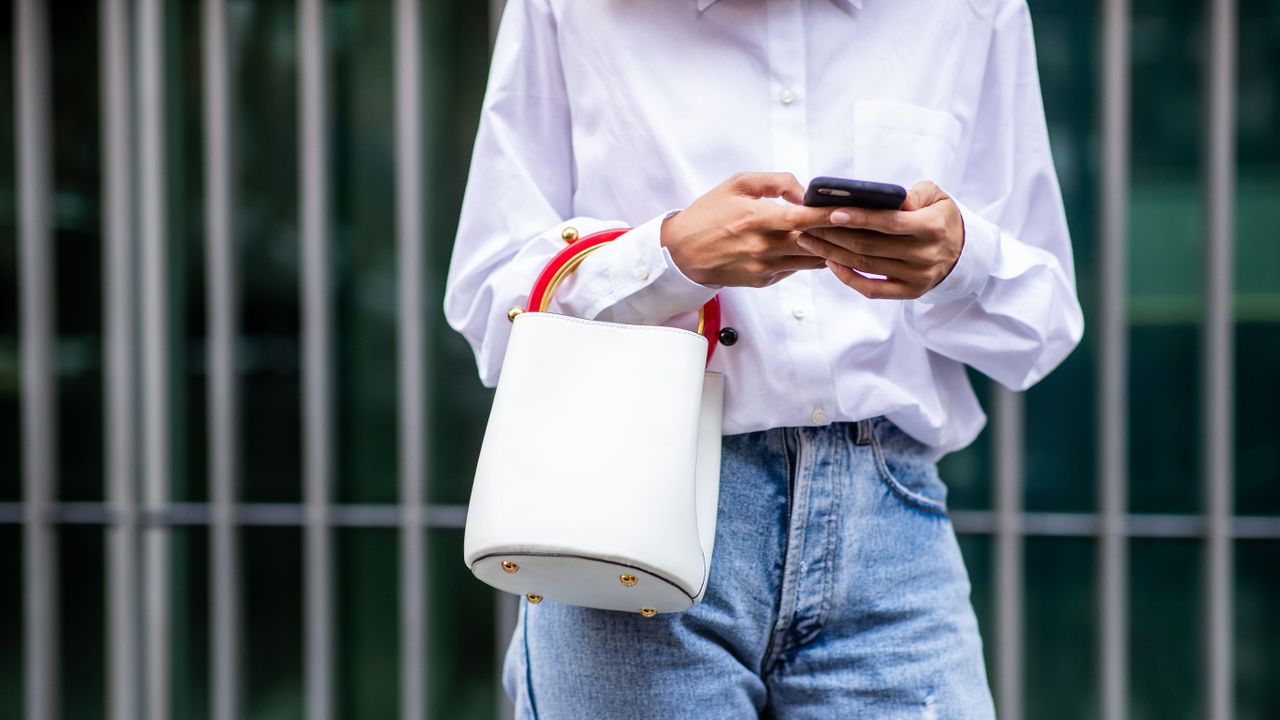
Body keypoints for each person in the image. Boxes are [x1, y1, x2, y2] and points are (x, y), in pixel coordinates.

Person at [445, 0, 1083, 717]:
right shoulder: (572, 10)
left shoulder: (969, 12)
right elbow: (487, 306)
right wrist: (670, 255)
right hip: (626, 513)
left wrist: (958, 260)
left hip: (890, 537)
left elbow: (1043, 328)